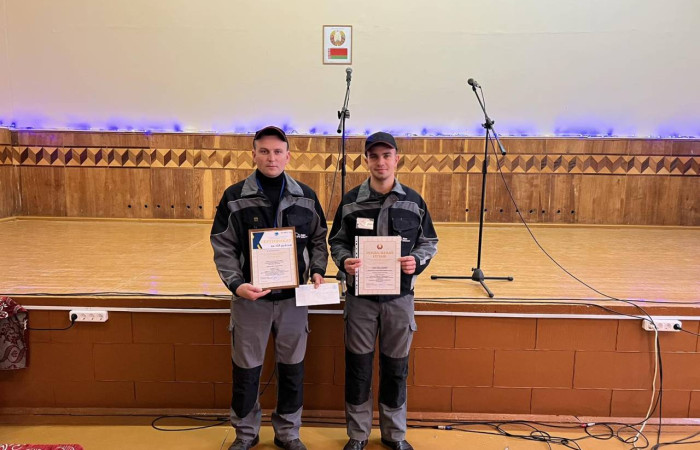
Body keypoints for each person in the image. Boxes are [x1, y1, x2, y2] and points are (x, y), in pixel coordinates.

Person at [211, 126, 328, 450]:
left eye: (277, 152)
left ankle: (288, 433)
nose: (271, 158)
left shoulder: (306, 197)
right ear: (254, 155)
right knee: (246, 372)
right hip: (250, 302)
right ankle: (245, 434)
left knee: (292, 371)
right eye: (264, 151)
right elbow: (222, 245)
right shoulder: (234, 197)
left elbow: (319, 239)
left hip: (294, 302)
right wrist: (237, 285)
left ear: (288, 156)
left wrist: (318, 270)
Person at [329, 132, 439, 450]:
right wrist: (344, 261)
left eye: (387, 155)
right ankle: (358, 434)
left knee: (395, 369)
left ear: (396, 159)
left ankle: (394, 434)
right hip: (360, 301)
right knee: (358, 368)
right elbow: (336, 241)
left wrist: (416, 261)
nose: (381, 162)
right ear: (366, 160)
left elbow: (429, 242)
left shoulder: (413, 202)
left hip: (399, 300)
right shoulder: (351, 201)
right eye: (374, 156)